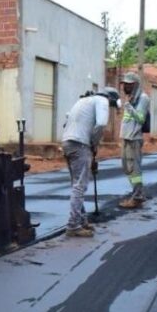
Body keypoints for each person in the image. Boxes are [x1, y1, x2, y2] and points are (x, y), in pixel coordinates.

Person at [60, 88, 115, 237]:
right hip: (80, 144)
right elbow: (102, 123)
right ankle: (73, 225)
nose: (110, 107)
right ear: (109, 99)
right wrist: (93, 142)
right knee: (80, 186)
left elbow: (66, 121)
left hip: (67, 142)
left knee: (76, 183)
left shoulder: (83, 101)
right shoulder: (102, 100)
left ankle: (82, 220)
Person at [119, 71, 150, 209]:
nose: (126, 86)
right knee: (127, 168)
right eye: (125, 84)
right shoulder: (130, 98)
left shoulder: (143, 98)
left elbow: (141, 118)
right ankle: (137, 193)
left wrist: (129, 108)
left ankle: (137, 196)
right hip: (126, 138)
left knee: (134, 169)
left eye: (129, 84)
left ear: (136, 85)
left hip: (134, 139)